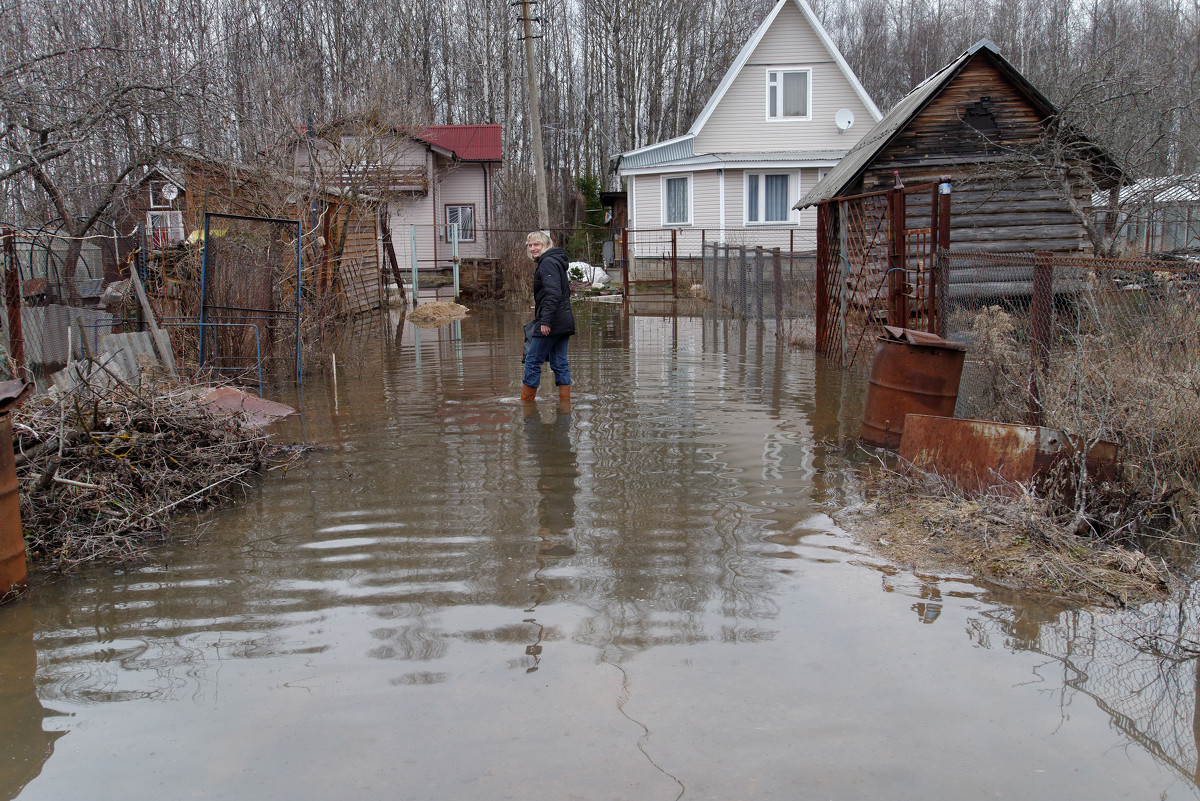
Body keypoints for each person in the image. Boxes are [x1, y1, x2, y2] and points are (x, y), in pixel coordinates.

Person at [521, 231, 575, 402]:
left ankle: (526, 405)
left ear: (545, 245)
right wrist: (540, 305)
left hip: (552, 323)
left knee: (532, 360)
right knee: (559, 363)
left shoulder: (547, 263)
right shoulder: (556, 261)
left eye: (536, 244)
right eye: (530, 245)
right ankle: (565, 405)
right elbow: (559, 293)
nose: (532, 248)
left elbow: (553, 295)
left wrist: (545, 320)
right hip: (563, 321)